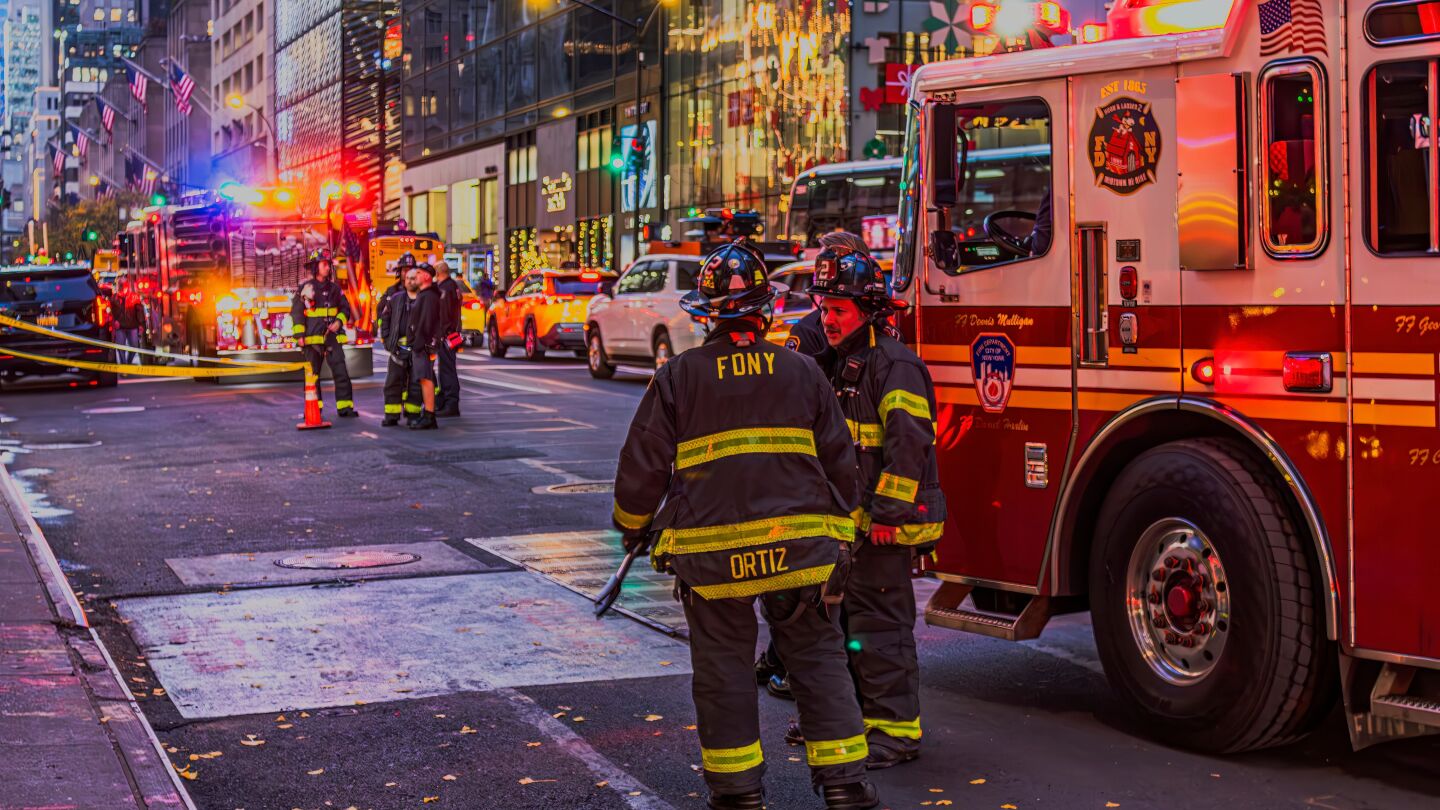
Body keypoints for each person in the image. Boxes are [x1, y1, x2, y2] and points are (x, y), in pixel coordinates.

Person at [612, 240, 881, 810]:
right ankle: (846, 785)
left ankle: (738, 794)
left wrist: (632, 527)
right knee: (817, 658)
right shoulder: (803, 371)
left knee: (724, 670)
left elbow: (641, 468)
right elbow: (840, 462)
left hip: (713, 563)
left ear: (705, 313)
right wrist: (849, 531)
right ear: (765, 311)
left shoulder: (679, 377)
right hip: (803, 554)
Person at [807, 244, 946, 769]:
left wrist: (888, 515)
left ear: (867, 311)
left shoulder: (895, 366)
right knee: (849, 630)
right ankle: (860, 722)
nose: (828, 319)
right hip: (855, 529)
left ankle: (895, 733)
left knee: (881, 631)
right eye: (824, 309)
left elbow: (906, 444)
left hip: (886, 528)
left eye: (838, 310)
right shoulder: (845, 364)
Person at [763, 230, 874, 701]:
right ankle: (785, 663)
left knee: (830, 586)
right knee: (812, 585)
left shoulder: (863, 329)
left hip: (845, 476)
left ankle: (788, 661)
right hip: (818, 476)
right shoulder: (808, 333)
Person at [290, 248, 357, 418]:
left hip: (332, 338)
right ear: (315, 267)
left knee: (341, 372)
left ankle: (345, 407)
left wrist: (339, 321)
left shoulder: (335, 289)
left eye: (328, 265)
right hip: (312, 341)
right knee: (312, 376)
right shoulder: (305, 289)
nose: (328, 268)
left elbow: (345, 308)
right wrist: (299, 336)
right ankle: (314, 409)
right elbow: (297, 313)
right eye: (325, 264)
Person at [378, 259, 418, 427]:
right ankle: (391, 415)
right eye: (405, 272)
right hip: (397, 349)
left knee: (416, 383)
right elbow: (383, 318)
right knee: (394, 381)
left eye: (411, 274)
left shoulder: (424, 297)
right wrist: (387, 339)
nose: (408, 278)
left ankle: (413, 414)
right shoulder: (393, 295)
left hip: (417, 349)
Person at [405, 263, 442, 430]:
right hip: (422, 345)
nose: (416, 276)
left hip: (423, 346)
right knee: (424, 378)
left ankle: (429, 415)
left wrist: (418, 344)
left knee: (426, 379)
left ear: (427, 276)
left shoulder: (428, 296)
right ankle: (428, 414)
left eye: (419, 273)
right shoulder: (426, 295)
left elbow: (425, 323)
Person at [433, 260, 463, 418]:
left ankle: (450, 403)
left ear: (438, 273)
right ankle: (446, 401)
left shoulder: (445, 289)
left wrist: (441, 334)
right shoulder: (454, 286)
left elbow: (444, 315)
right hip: (452, 334)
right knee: (447, 368)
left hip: (447, 336)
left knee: (447, 370)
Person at [110, 279, 147, 365]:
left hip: (132, 326)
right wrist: (115, 321)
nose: (122, 288)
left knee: (134, 347)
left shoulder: (134, 297)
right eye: (120, 285)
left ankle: (128, 363)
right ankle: (124, 364)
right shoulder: (114, 298)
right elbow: (111, 313)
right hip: (120, 327)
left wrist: (141, 325)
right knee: (120, 347)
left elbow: (140, 312)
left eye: (124, 285)